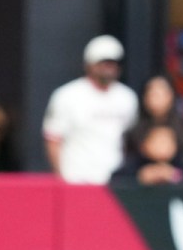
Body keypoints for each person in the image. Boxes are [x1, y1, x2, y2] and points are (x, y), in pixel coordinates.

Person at [43, 34, 138, 184]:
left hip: (115, 181)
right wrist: (61, 178)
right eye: (103, 63)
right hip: (77, 179)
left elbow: (130, 141)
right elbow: (53, 139)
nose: (108, 68)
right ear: (89, 64)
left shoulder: (127, 97)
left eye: (112, 63)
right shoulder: (67, 95)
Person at [110, 125, 183, 185]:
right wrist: (139, 177)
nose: (162, 147)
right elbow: (115, 181)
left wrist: (174, 176)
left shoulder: (182, 163)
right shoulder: (134, 164)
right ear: (144, 145)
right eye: (158, 141)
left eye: (166, 142)